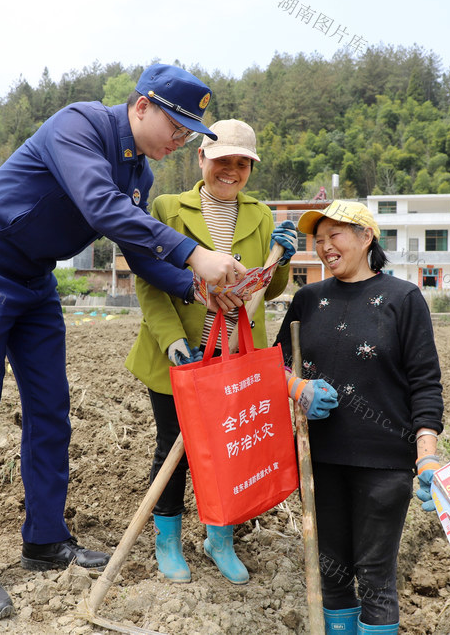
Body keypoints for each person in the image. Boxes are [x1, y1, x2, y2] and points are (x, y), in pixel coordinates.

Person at [0, 64, 248, 621]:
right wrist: (194, 252)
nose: (180, 140)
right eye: (175, 126)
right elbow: (100, 206)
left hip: (34, 279)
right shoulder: (77, 126)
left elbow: (137, 250)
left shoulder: (140, 176)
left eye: (188, 134)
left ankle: (45, 542)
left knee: (52, 410)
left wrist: (197, 288)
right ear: (141, 106)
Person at [125, 119, 335, 585]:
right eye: (223, 160)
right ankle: (167, 541)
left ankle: (220, 538)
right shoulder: (167, 208)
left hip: (235, 356)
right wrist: (174, 343)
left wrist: (282, 257)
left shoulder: (259, 215)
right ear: (201, 158)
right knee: (173, 450)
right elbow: (150, 281)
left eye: (242, 163)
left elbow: (267, 287)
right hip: (178, 354)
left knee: (227, 450)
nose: (231, 170)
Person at [274, 200, 444, 635]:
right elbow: (275, 364)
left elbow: (425, 383)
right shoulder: (307, 299)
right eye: (319, 239)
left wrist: (426, 456)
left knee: (374, 578)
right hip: (319, 459)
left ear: (367, 237)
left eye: (336, 235)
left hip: (384, 462)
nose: (325, 247)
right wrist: (297, 388)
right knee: (330, 575)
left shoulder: (402, 298)